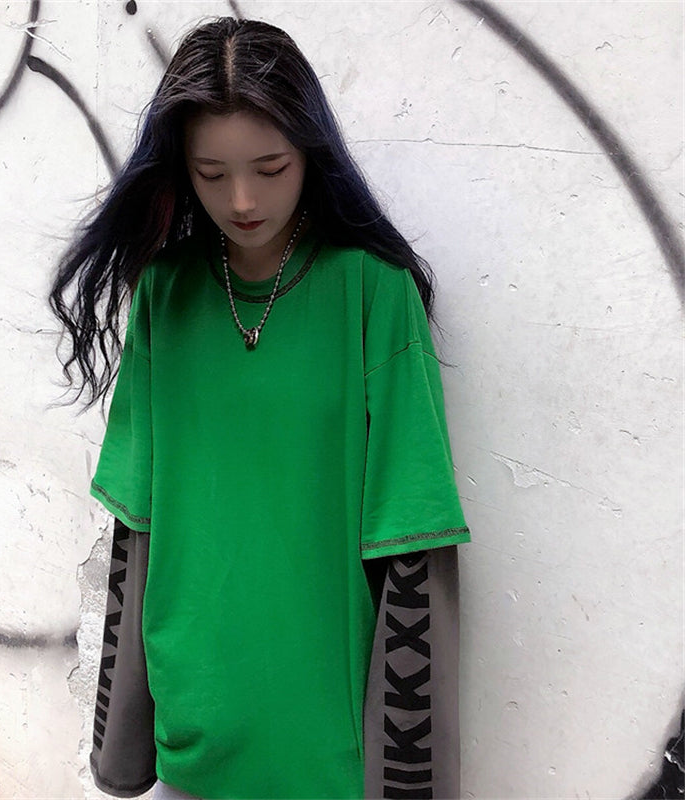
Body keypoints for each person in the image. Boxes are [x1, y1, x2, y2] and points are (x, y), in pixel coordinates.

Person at [50, 16, 471, 800]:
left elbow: (414, 544)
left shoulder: (373, 295)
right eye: (211, 174)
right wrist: (125, 740)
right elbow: (137, 530)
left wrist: (407, 774)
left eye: (270, 168)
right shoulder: (164, 293)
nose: (242, 200)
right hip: (192, 719)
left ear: (310, 151)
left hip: (323, 741)